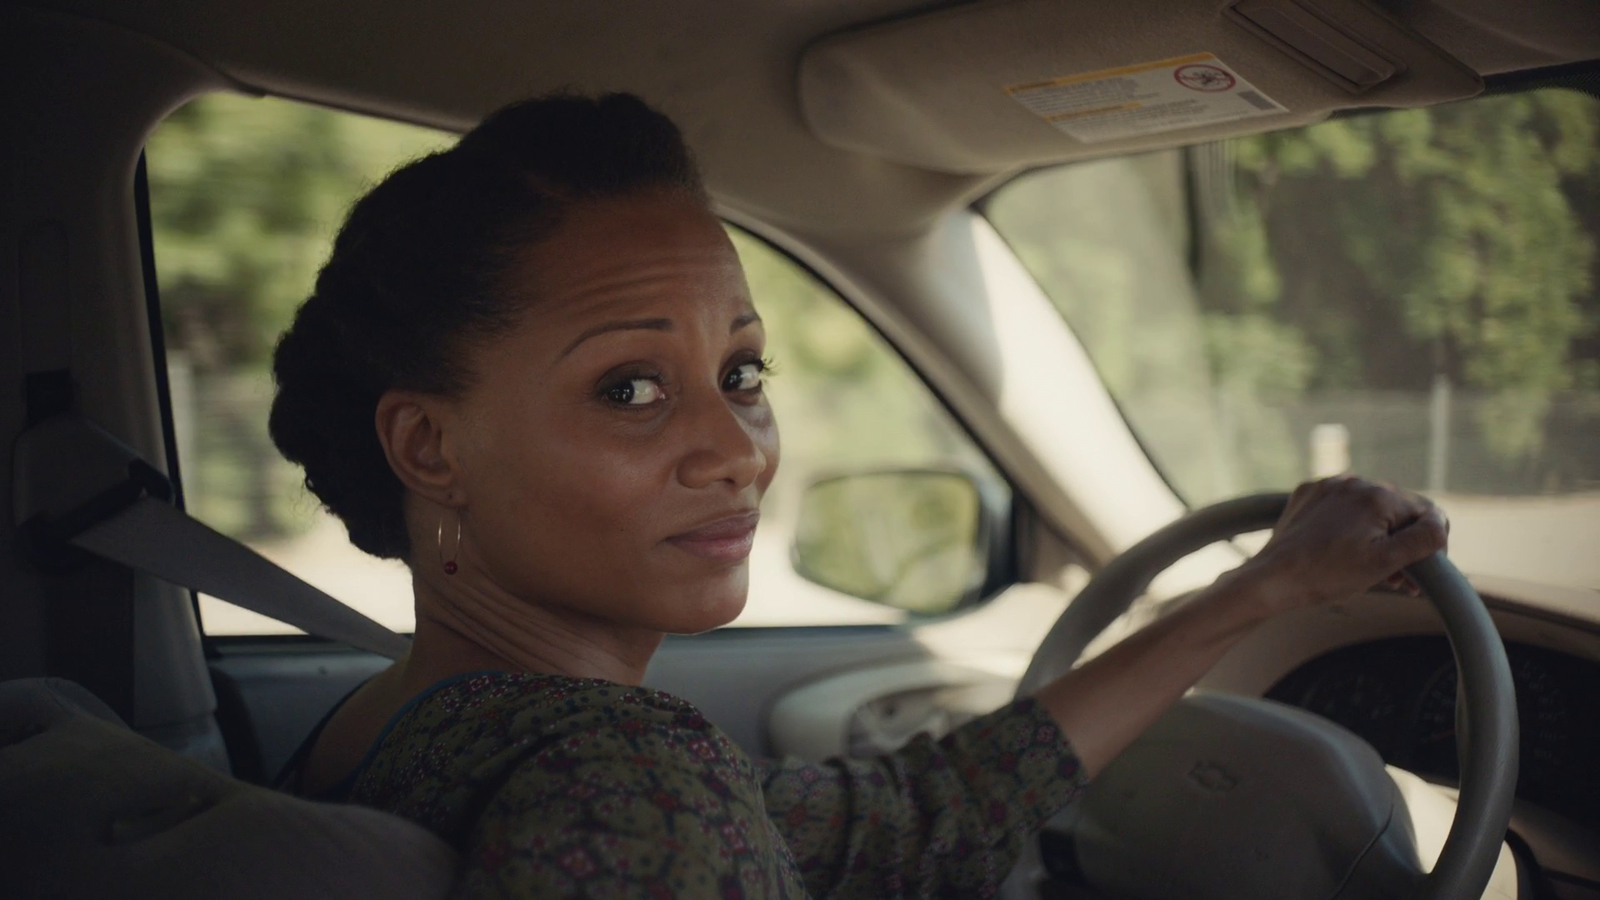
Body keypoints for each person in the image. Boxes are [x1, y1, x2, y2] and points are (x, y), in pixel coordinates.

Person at [269, 93, 1448, 898]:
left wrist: (1266, 588)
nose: (734, 446)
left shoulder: (392, 725)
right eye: (630, 388)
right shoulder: (620, 775)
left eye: (740, 373)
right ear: (430, 447)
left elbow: (914, 817)